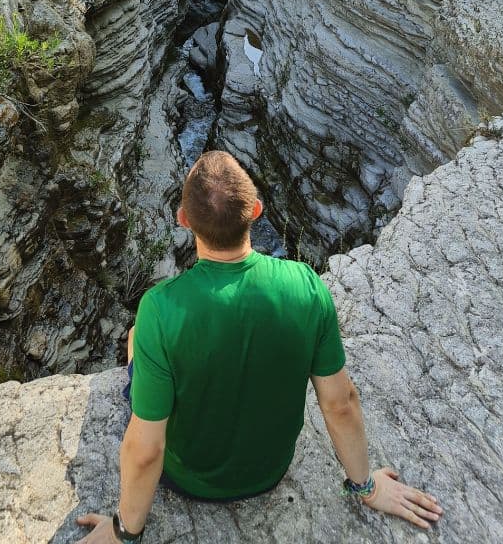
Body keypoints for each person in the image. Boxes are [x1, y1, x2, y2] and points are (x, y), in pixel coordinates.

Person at [77, 150, 442, 542]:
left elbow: (146, 449)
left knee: (136, 339)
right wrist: (366, 485)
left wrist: (123, 532)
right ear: (256, 211)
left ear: (184, 222)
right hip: (270, 472)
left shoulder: (160, 309)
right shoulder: (306, 285)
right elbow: (340, 402)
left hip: (187, 479)